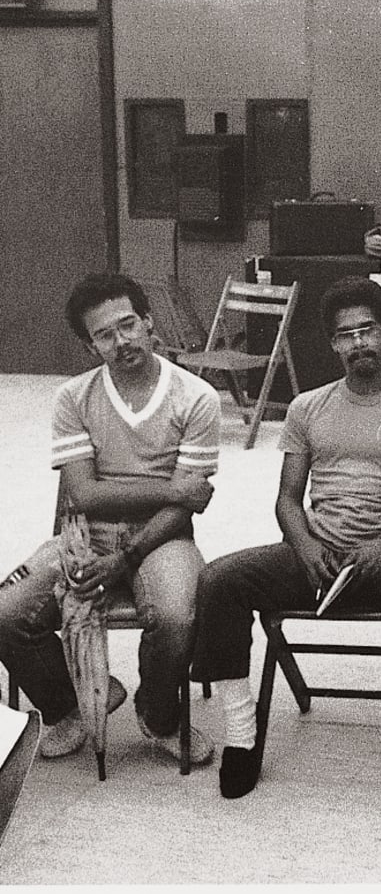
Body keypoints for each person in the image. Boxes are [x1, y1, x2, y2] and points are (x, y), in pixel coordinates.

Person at [192, 276, 381, 810]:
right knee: (220, 579)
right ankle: (241, 733)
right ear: (333, 345)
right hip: (317, 556)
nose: (359, 342)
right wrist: (303, 545)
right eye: (346, 335)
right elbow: (288, 500)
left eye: (368, 330)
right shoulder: (307, 408)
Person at [0, 273, 220, 767]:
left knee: (176, 616)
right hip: (84, 535)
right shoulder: (74, 398)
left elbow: (184, 508)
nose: (121, 342)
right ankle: (73, 705)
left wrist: (128, 556)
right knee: (5, 613)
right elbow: (84, 494)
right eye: (104, 334)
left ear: (148, 323)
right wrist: (171, 488)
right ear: (89, 345)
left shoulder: (197, 397)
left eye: (128, 325)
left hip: (162, 536)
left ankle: (158, 713)